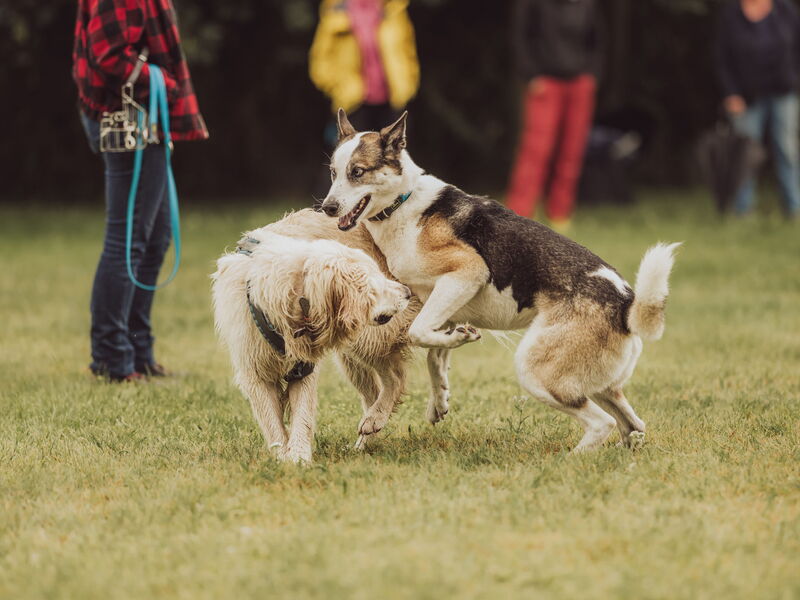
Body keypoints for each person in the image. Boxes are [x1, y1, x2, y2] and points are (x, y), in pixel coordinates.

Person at [73, 0, 208, 382]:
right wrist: (161, 81)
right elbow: (109, 54)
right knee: (128, 239)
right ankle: (113, 358)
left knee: (156, 237)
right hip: (125, 117)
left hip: (142, 115)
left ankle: (137, 351)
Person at [506, 0, 603, 229]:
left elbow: (598, 43)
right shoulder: (532, 4)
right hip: (544, 83)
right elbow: (521, 38)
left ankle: (560, 213)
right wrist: (530, 75)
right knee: (536, 151)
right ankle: (519, 214)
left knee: (572, 151)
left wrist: (592, 76)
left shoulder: (587, 5)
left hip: (579, 83)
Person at [716, 0, 800, 219]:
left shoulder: (785, 10)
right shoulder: (732, 14)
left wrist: (794, 78)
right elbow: (721, 57)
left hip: (783, 93)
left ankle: (793, 208)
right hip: (746, 97)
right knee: (745, 153)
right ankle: (743, 209)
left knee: (787, 150)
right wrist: (731, 92)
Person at [309, 0, 419, 136]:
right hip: (354, 102)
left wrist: (407, 85)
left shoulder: (393, 8)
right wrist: (337, 88)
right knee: (358, 155)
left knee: (394, 154)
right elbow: (319, 59)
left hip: (393, 100)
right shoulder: (336, 10)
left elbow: (408, 51)